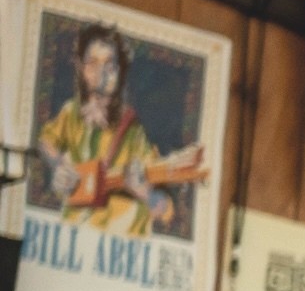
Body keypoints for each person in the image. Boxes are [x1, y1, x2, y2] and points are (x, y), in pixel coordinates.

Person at [35, 22, 198, 236]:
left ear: (121, 73)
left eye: (109, 67)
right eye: (92, 64)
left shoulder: (135, 133)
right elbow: (45, 141)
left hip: (121, 238)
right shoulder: (71, 112)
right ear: (80, 68)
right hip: (73, 233)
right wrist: (57, 164)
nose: (100, 76)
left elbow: (166, 211)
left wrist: (145, 192)